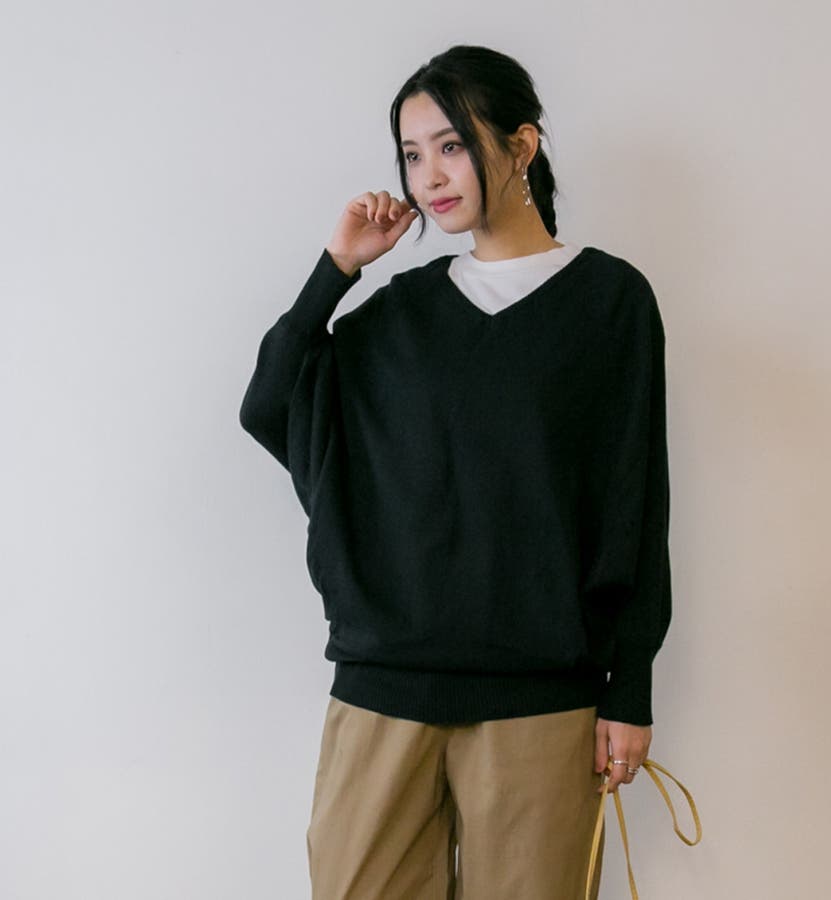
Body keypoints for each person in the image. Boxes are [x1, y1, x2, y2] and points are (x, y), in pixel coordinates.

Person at [239, 44, 671, 900]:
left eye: (451, 144)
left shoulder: (610, 303)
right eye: (411, 154)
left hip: (541, 702)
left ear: (521, 145)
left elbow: (636, 499)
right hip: (382, 693)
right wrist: (337, 269)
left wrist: (630, 692)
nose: (429, 175)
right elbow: (270, 406)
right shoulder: (398, 315)